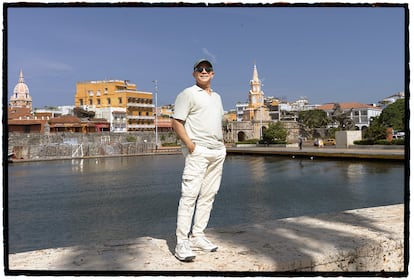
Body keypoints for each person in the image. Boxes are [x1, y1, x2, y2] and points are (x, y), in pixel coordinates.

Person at [171, 59, 227, 262]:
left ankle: (198, 236)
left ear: (213, 74)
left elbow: (216, 121)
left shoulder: (217, 97)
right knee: (189, 196)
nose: (204, 71)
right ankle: (182, 242)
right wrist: (191, 145)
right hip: (199, 151)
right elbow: (177, 122)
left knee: (208, 195)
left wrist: (222, 144)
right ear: (194, 73)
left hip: (217, 151)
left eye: (208, 69)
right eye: (199, 69)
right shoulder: (187, 94)